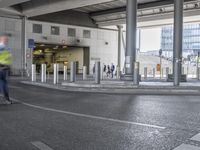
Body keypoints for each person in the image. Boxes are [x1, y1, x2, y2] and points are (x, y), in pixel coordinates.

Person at [0, 35, 12, 104]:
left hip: (2, 68)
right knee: (3, 84)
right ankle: (7, 100)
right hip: (4, 68)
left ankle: (7, 99)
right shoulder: (7, 48)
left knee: (3, 83)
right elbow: (8, 58)